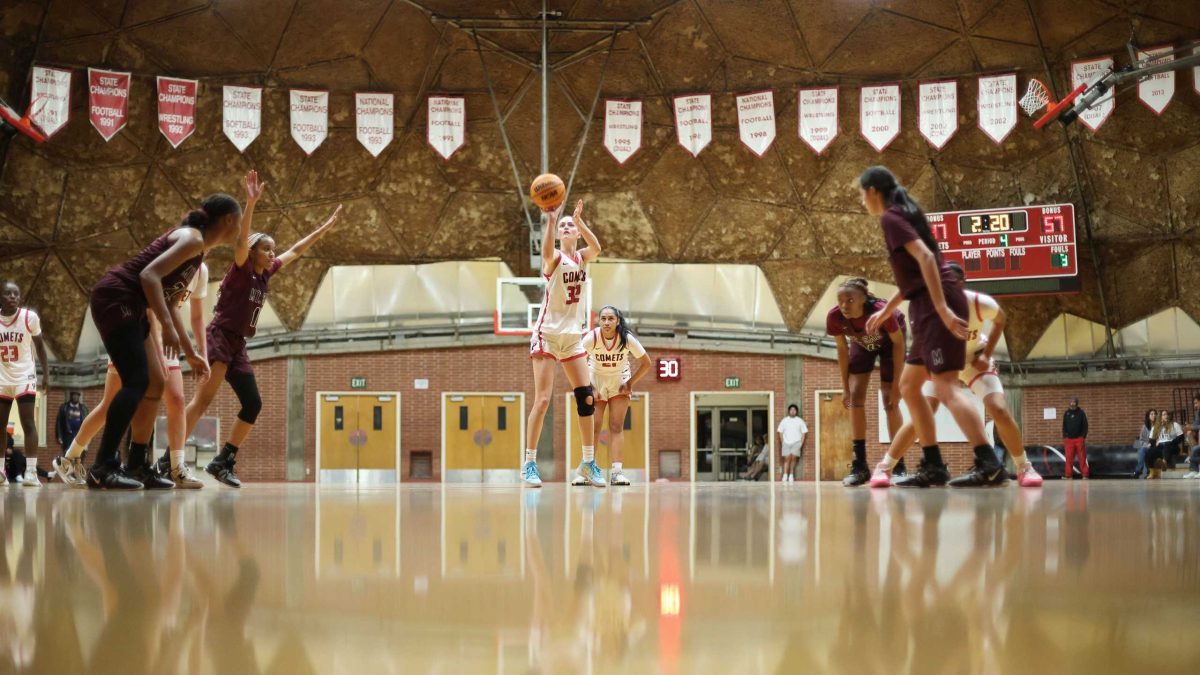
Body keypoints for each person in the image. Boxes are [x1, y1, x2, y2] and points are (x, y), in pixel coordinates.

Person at [84, 181, 244, 489]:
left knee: (155, 381)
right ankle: (102, 465)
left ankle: (137, 465)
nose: (239, 230)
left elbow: (171, 301)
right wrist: (167, 329)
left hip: (134, 303)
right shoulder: (192, 239)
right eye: (238, 223)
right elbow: (148, 276)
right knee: (136, 380)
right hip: (116, 297)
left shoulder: (199, 253)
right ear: (228, 220)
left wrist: (191, 350)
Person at [860, 166, 1004, 487]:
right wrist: (888, 311)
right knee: (910, 387)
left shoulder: (890, 218)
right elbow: (915, 273)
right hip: (927, 302)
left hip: (934, 304)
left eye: (861, 194)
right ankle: (934, 464)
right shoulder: (903, 216)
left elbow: (927, 260)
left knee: (945, 385)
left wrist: (940, 309)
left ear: (872, 191)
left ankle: (988, 462)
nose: (862, 201)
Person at [182, 200, 342, 488]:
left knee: (253, 403)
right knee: (203, 400)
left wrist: (325, 229)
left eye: (273, 249)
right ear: (253, 251)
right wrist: (252, 202)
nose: (272, 253)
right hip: (220, 336)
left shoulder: (265, 274)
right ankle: (170, 459)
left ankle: (223, 461)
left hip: (238, 344)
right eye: (267, 248)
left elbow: (296, 250)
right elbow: (242, 239)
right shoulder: (241, 269)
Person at [869, 263, 1043, 488]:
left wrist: (987, 354)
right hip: (941, 361)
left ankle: (1024, 467)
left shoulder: (978, 303)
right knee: (922, 414)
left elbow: (1001, 319)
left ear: (960, 284)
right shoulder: (928, 304)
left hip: (973, 360)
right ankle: (885, 467)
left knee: (998, 409)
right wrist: (885, 312)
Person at [54, 264, 211, 489]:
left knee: (176, 399)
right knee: (109, 405)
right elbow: (149, 309)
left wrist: (203, 354)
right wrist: (156, 351)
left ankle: (176, 467)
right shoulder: (172, 258)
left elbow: (196, 317)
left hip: (166, 337)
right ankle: (70, 457)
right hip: (138, 330)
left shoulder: (201, 270)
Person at [523, 199, 602, 487]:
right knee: (543, 400)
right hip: (547, 334)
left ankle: (588, 463)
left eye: (572, 226)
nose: (568, 227)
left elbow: (597, 248)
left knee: (587, 399)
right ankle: (529, 463)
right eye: (564, 226)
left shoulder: (582, 257)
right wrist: (552, 219)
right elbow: (545, 252)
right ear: (559, 234)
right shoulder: (554, 257)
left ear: (577, 233)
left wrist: (580, 220)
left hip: (572, 337)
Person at [826, 277, 907, 486]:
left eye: (850, 300)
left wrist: (898, 384)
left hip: (890, 344)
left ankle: (898, 465)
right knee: (854, 397)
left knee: (890, 401)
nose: (844, 305)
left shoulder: (881, 312)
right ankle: (859, 465)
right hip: (862, 344)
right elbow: (842, 350)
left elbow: (899, 345)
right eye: (840, 300)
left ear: (863, 299)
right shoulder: (835, 317)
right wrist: (844, 388)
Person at [576, 306, 650, 487]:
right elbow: (576, 360)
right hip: (596, 380)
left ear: (617, 321)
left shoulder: (626, 339)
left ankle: (617, 473)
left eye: (611, 319)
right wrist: (590, 386)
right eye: (603, 319)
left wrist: (630, 383)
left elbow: (646, 363)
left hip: (619, 381)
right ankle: (587, 471)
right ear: (599, 321)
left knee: (616, 426)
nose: (607, 322)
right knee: (594, 427)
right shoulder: (592, 337)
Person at [0, 280, 51, 487]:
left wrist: (46, 374)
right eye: (8, 293)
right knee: (0, 426)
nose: (13, 297)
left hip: (25, 377)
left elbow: (40, 347)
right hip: (2, 377)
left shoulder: (29, 318)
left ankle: (31, 472)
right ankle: (1, 471)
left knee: (28, 422)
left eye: (16, 294)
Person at [777, 404, 808, 482]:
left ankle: (791, 475)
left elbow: (804, 433)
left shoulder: (800, 421)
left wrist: (801, 443)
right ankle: (785, 475)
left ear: (796, 412)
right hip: (786, 442)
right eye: (791, 410)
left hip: (796, 443)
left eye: (794, 410)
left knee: (793, 458)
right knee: (787, 458)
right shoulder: (784, 420)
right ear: (789, 411)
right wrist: (782, 442)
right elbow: (780, 432)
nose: (793, 411)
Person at [1148, 409, 1183, 479]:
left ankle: (1164, 463)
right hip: (1160, 447)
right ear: (1160, 417)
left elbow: (1181, 437)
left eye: (1167, 414)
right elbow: (1151, 440)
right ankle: (1152, 472)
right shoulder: (1155, 427)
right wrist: (1155, 443)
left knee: (1167, 444)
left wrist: (1171, 442)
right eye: (1164, 415)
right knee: (1149, 452)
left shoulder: (1174, 424)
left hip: (1172, 446)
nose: (1166, 416)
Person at [1062, 397, 1088, 479]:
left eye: (1074, 402)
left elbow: (1085, 425)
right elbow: (1064, 426)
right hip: (1069, 440)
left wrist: (1083, 436)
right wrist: (1065, 436)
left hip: (1079, 439)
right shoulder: (1066, 413)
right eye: (1071, 402)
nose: (1072, 403)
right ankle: (1068, 475)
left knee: (1082, 457)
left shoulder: (1081, 413)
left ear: (1077, 403)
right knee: (1069, 458)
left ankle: (1085, 475)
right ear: (1069, 403)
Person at [55, 391, 87, 458]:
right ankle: (68, 467)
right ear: (71, 396)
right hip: (68, 435)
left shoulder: (83, 408)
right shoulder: (64, 407)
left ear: (79, 397)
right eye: (73, 395)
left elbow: (87, 422)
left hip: (79, 434)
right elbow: (59, 423)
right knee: (67, 454)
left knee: (79, 455)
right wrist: (59, 436)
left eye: (77, 395)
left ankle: (77, 468)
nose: (75, 397)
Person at [1134, 409, 1157, 479]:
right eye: (1152, 414)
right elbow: (1141, 440)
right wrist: (1146, 445)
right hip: (1147, 445)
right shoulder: (1145, 426)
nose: (1154, 415)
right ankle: (1142, 471)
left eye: (1155, 414)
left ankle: (1138, 471)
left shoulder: (1158, 425)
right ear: (1148, 416)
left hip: (1156, 445)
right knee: (1141, 448)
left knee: (1142, 450)